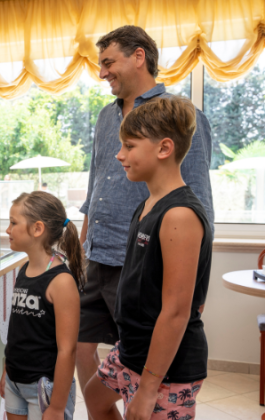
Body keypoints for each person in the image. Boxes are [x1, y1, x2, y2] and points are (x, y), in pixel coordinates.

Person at [76, 25, 214, 406]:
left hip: (139, 264)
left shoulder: (178, 116)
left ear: (139, 57)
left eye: (108, 62)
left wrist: (195, 289)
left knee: (139, 358)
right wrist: (82, 251)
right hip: (97, 256)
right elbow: (94, 189)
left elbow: (199, 202)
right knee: (79, 346)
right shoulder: (105, 118)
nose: (102, 72)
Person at [0, 191, 85, 420]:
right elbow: (18, 330)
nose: (8, 230)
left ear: (37, 229)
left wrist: (56, 407)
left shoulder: (61, 282)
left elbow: (67, 350)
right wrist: (7, 371)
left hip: (45, 389)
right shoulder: (24, 270)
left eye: (13, 223)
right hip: (14, 382)